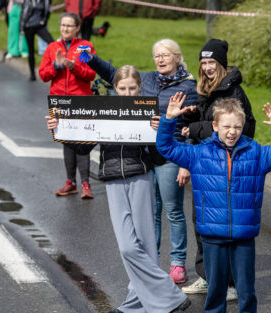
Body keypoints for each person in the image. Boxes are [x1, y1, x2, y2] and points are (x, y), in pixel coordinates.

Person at [46, 65, 191, 313]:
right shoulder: (105, 110)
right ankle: (170, 298)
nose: (127, 93)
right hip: (112, 179)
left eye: (132, 88)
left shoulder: (149, 110)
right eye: (122, 88)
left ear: (139, 88)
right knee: (127, 247)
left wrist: (161, 131)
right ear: (115, 88)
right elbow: (83, 147)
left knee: (145, 246)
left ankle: (135, 306)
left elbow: (158, 157)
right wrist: (58, 130)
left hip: (140, 177)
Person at [157, 95, 271, 313]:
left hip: (243, 236)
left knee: (246, 291)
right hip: (212, 235)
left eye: (237, 127)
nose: (232, 132)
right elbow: (166, 148)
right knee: (216, 290)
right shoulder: (199, 154)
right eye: (226, 126)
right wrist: (169, 120)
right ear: (215, 126)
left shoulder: (256, 154)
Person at [86, 38, 198, 284]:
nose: (160, 59)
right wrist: (93, 60)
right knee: (152, 213)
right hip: (147, 155)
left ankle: (178, 262)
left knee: (173, 211)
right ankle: (152, 261)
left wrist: (185, 162)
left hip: (171, 154)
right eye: (157, 55)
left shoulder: (189, 86)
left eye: (165, 55)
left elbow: (191, 126)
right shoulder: (147, 79)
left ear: (177, 57)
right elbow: (118, 76)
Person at [181, 38, 256, 299]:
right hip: (205, 165)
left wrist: (195, 128)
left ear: (221, 64)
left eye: (212, 62)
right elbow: (207, 123)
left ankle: (232, 285)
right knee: (201, 222)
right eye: (203, 62)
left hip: (226, 169)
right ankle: (207, 277)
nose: (207, 67)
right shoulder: (206, 89)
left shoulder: (233, 92)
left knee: (225, 226)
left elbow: (243, 129)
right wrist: (189, 116)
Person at [39, 12, 96, 198]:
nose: (65, 29)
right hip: (59, 101)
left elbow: (90, 75)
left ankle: (86, 184)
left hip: (80, 100)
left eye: (69, 26)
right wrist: (56, 66)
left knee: (82, 141)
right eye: (63, 25)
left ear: (78, 28)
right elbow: (43, 75)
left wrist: (74, 67)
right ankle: (70, 182)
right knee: (67, 141)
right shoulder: (52, 48)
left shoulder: (85, 47)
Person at [20, 0, 54, 80]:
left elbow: (47, 11)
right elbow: (23, 13)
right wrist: (21, 28)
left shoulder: (45, 1)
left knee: (52, 43)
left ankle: (53, 68)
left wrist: (44, 21)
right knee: (30, 51)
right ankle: (32, 74)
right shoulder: (28, 1)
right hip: (28, 27)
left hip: (39, 26)